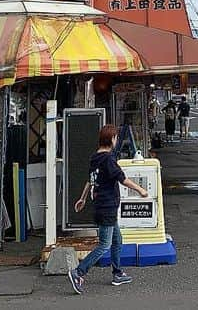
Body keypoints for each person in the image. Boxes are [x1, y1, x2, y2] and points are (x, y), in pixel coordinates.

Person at [69, 124, 149, 295]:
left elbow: (90, 180)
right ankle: (79, 272)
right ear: (112, 139)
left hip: (101, 205)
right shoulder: (108, 159)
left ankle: (117, 273)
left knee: (117, 240)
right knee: (104, 244)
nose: (116, 140)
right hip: (107, 207)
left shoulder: (95, 157)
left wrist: (82, 198)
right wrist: (140, 189)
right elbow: (122, 179)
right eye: (115, 137)